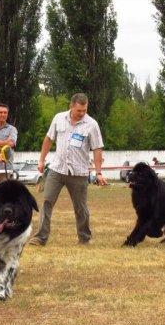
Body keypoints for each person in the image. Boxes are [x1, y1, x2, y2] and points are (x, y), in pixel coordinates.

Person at [29, 93, 107, 246]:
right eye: (79, 110)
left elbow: (97, 148)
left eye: (84, 110)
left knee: (80, 207)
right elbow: (48, 139)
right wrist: (41, 160)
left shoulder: (92, 124)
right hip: (57, 169)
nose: (82, 113)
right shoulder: (58, 118)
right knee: (46, 202)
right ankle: (40, 237)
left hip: (79, 172)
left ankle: (84, 238)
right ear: (71, 106)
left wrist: (98, 173)